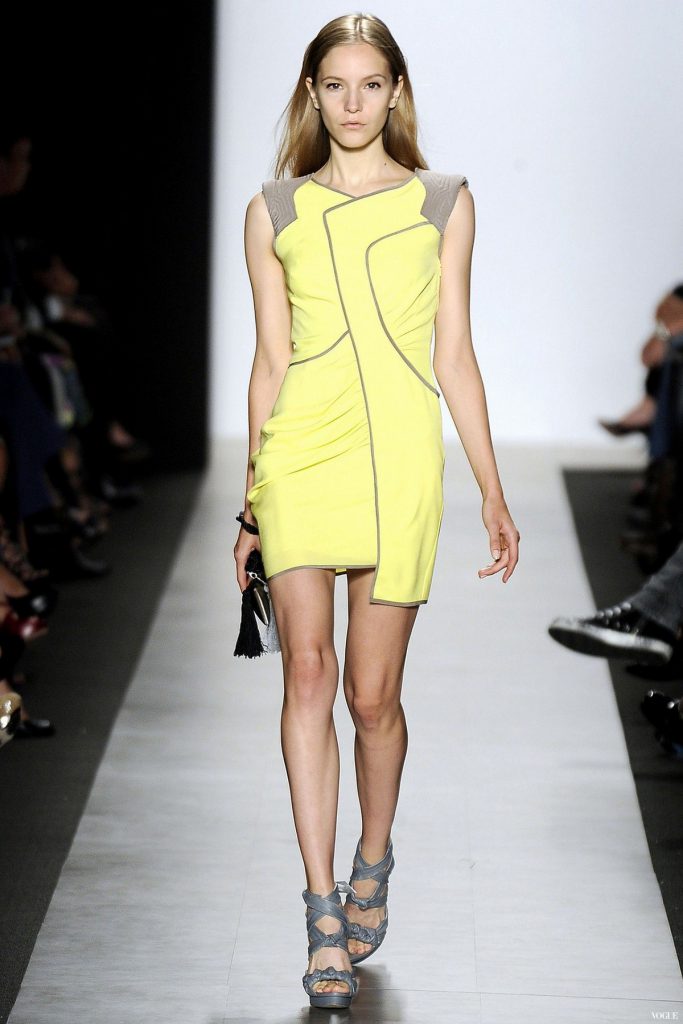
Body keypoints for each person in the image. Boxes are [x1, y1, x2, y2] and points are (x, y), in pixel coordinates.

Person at [233, 13, 520, 1011]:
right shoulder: (273, 209)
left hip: (399, 460)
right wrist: (249, 506)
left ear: (395, 91)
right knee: (306, 673)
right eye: (334, 84)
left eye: (369, 84)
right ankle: (321, 911)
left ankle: (372, 855)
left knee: (370, 698)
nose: (351, 102)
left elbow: (454, 353)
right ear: (311, 94)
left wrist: (489, 487)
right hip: (300, 457)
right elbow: (270, 360)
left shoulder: (443, 202)